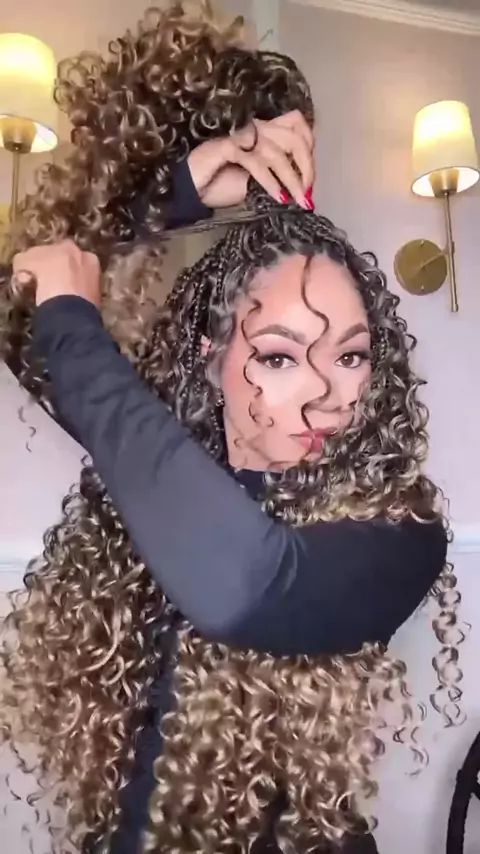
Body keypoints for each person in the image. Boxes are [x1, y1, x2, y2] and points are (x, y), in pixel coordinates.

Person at [0, 4, 463, 854]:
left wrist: (76, 321)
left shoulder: (402, 528)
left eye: (352, 356)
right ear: (211, 359)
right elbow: (23, 303)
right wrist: (174, 194)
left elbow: (250, 585)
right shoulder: (158, 456)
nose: (326, 395)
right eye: (280, 356)